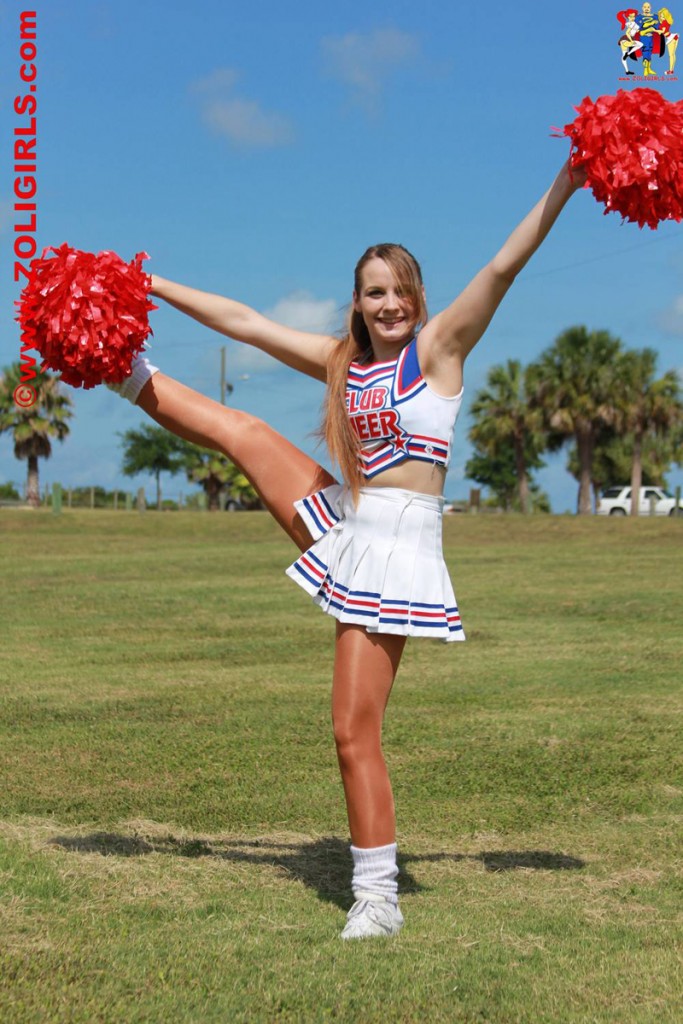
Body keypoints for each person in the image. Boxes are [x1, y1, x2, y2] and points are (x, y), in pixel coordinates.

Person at [109, 158, 586, 939]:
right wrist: (150, 286)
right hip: (347, 522)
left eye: (400, 289)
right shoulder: (347, 364)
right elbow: (247, 324)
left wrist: (567, 181)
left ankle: (378, 897)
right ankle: (121, 374)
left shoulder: (437, 352)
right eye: (374, 291)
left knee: (351, 730)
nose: (389, 302)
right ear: (357, 304)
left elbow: (504, 264)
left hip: (396, 549)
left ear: (418, 299)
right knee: (244, 431)